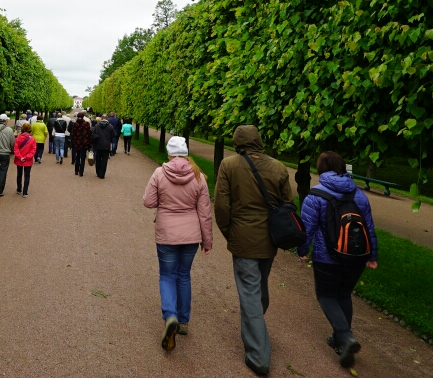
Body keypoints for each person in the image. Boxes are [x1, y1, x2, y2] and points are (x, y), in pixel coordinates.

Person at [214, 124, 293, 377]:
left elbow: (222, 205)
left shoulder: (229, 165)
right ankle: (256, 324)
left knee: (250, 292)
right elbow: (288, 205)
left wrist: (228, 231)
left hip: (242, 236)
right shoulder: (279, 167)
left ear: (238, 141)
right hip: (268, 239)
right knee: (260, 286)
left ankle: (258, 356)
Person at [298, 151, 378, 368]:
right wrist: (372, 256)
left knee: (325, 295)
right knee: (343, 295)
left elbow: (308, 229)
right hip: (357, 256)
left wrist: (302, 250)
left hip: (327, 257)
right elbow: (368, 227)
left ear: (321, 169)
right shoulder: (359, 195)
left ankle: (345, 336)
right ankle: (340, 343)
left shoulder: (315, 195)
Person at [142, 136, 213, 352]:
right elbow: (205, 212)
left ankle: (170, 315)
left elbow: (148, 201)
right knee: (184, 275)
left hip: (167, 232)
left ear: (169, 153)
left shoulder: (160, 173)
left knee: (167, 275)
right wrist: (207, 240)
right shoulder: (199, 175)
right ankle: (183, 321)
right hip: (191, 234)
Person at [13, 122, 37, 197]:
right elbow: (33, 150)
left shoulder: (18, 138)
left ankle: (19, 189)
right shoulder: (32, 139)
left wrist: (20, 157)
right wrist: (26, 157)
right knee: (27, 175)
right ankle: (25, 192)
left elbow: (16, 149)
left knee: (19, 174)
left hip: (19, 159)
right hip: (28, 160)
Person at [69, 111, 92, 176]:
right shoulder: (86, 123)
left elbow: (73, 133)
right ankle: (81, 172)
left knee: (77, 156)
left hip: (77, 143)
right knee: (83, 157)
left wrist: (74, 141)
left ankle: (76, 170)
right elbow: (89, 132)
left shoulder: (75, 124)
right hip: (84, 143)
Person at [91, 115, 114, 179]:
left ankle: (98, 172)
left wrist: (92, 143)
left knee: (98, 159)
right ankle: (102, 174)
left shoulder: (97, 126)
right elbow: (113, 135)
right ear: (107, 119)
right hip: (106, 145)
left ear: (101, 119)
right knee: (104, 160)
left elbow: (93, 135)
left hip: (98, 144)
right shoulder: (110, 126)